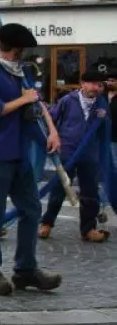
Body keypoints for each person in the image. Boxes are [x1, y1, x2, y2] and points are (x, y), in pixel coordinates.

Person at [0, 23, 62, 296]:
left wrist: (51, 131)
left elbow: (36, 105)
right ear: (12, 48)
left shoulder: (20, 73)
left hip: (20, 153)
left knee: (32, 209)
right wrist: (22, 100)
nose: (23, 55)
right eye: (21, 50)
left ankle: (25, 270)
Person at [38, 71, 110, 242]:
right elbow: (51, 120)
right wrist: (52, 138)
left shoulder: (102, 104)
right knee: (59, 189)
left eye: (98, 84)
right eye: (91, 83)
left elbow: (105, 130)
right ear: (82, 84)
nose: (95, 87)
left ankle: (88, 229)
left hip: (90, 154)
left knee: (90, 192)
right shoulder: (67, 101)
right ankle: (47, 223)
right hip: (67, 152)